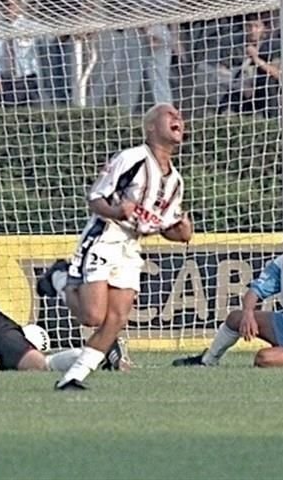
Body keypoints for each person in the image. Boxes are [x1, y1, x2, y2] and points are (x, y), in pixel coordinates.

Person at [38, 103, 193, 390]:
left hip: (132, 246)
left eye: (180, 116)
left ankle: (74, 377)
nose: (178, 119)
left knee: (117, 318)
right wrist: (116, 212)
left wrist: (183, 232)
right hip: (105, 235)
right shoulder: (131, 158)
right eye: (170, 115)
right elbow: (96, 197)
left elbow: (165, 228)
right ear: (150, 127)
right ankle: (58, 278)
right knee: (92, 315)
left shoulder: (176, 182)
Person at [173, 219, 283, 368]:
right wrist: (248, 314)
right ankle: (207, 361)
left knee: (264, 358)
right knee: (236, 317)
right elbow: (254, 291)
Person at [27, 0, 93, 106]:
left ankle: (76, 102)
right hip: (49, 28)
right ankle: (58, 103)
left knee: (73, 69)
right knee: (52, 70)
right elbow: (30, 6)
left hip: (71, 29)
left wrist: (78, 21)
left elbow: (89, 0)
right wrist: (44, 21)